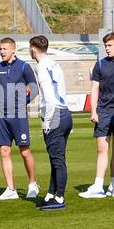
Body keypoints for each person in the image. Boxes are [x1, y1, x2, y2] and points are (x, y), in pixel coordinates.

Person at [0, 37, 39, 200]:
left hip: (19, 115)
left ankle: (32, 184)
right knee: (4, 151)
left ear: (13, 50)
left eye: (4, 49)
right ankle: (11, 189)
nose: (1, 52)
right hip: (1, 115)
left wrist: (24, 102)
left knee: (24, 152)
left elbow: (34, 89)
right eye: (0, 49)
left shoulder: (24, 66)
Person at [79, 32, 114, 199]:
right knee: (101, 148)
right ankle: (98, 185)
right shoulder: (100, 64)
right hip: (104, 111)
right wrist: (93, 110)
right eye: (105, 45)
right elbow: (94, 89)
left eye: (110, 45)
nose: (107, 48)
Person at [29, 36, 72, 211]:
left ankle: (59, 197)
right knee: (56, 158)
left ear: (33, 49)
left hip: (54, 114)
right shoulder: (54, 63)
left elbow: (49, 95)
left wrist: (47, 121)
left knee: (57, 159)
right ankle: (51, 194)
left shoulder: (41, 67)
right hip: (65, 113)